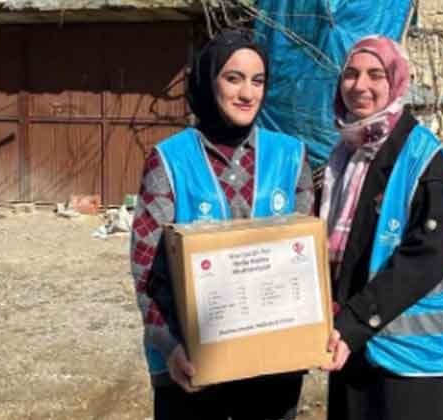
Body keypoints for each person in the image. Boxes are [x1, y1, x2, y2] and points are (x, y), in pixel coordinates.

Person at [130, 29, 315, 420]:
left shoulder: (290, 156)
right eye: (233, 78)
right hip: (192, 365)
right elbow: (147, 270)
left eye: (258, 81)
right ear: (208, 80)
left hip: (273, 364)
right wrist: (171, 346)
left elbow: (306, 265)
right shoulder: (169, 160)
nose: (248, 93)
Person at [320, 35, 443, 420]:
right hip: (356, 344)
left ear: (396, 82)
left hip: (414, 358)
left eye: (375, 75)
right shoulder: (345, 154)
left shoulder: (424, 159)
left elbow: (427, 255)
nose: (360, 85)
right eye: (351, 74)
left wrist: (356, 320)